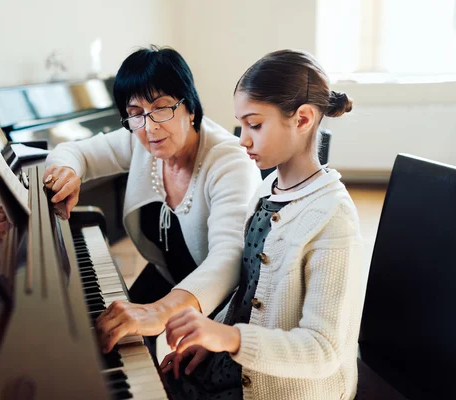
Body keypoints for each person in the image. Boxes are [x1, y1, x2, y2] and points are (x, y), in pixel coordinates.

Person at [161, 49, 364, 400]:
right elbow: (249, 292)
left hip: (290, 388)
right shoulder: (266, 189)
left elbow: (323, 350)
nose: (243, 138)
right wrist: (215, 338)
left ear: (302, 119)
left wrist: (229, 339)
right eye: (241, 124)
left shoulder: (332, 217)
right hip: (244, 363)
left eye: (255, 124)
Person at [43, 46, 260, 355]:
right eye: (135, 114)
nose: (150, 126)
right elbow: (74, 151)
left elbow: (228, 258)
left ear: (190, 108)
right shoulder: (140, 140)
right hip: (167, 274)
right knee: (115, 335)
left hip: (221, 299)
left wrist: (160, 312)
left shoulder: (229, 162)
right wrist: (65, 171)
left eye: (162, 108)